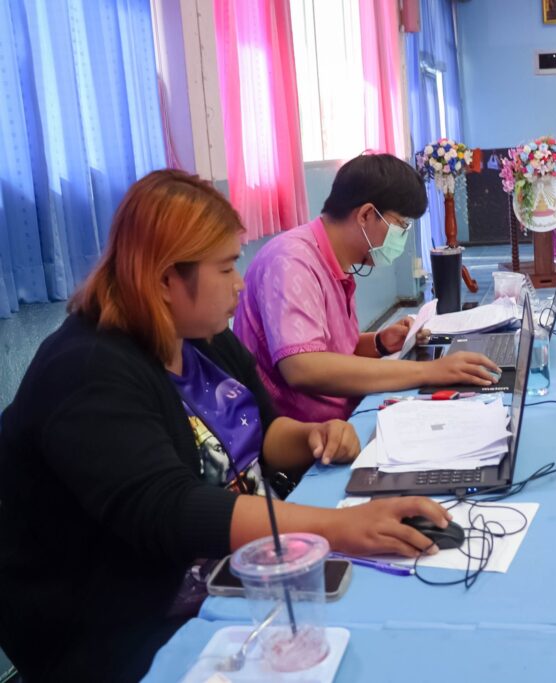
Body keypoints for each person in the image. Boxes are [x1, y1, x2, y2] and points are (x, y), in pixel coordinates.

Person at [0, 170, 452, 682]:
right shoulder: (87, 370)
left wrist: (311, 437)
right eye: (225, 267)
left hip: (222, 567)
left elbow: (266, 431)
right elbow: (171, 509)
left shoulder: (201, 336)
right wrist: (339, 527)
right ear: (165, 279)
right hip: (117, 621)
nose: (240, 283)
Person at [233, 153, 500, 423]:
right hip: (308, 434)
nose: (402, 237)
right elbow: (303, 366)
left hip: (341, 415)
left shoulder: (332, 261)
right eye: (401, 226)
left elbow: (329, 351)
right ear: (366, 215)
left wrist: (379, 343)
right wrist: (431, 371)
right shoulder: (292, 261)